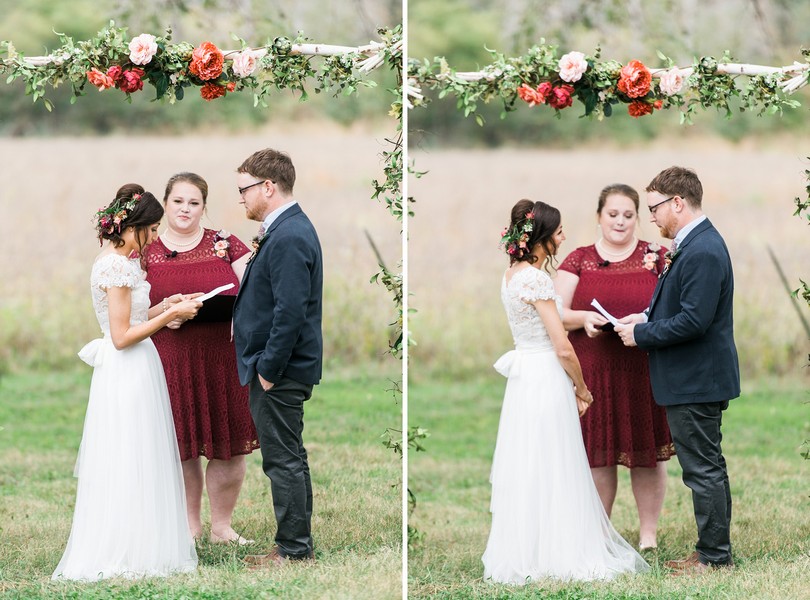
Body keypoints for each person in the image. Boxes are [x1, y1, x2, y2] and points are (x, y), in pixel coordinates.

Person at [482, 199, 648, 584]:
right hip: (544, 376)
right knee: (556, 461)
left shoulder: (512, 275)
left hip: (524, 379)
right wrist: (582, 387)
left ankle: (531, 548)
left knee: (531, 462)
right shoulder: (538, 280)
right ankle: (559, 551)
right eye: (558, 232)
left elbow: (549, 322)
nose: (564, 237)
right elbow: (561, 345)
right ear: (542, 238)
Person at [53, 185, 201, 581]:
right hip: (127, 368)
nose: (154, 237)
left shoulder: (125, 263)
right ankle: (126, 548)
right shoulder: (115, 267)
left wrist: (167, 307)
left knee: (144, 452)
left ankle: (146, 539)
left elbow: (134, 318)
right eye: (150, 229)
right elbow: (120, 337)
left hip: (141, 365)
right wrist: (167, 317)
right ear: (131, 226)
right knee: (130, 453)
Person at [616, 166, 739, 573]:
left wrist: (643, 335)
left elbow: (694, 321)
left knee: (703, 470)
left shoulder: (702, 249)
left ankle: (715, 558)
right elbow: (682, 305)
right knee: (707, 468)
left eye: (654, 208)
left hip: (696, 380)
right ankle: (710, 551)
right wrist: (645, 314)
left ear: (678, 203)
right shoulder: (694, 244)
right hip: (693, 378)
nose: (650, 217)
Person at [555, 184, 675, 550]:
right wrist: (584, 318)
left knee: (647, 453)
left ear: (638, 218)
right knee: (599, 453)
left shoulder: (659, 256)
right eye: (612, 214)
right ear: (598, 216)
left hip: (644, 368)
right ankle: (600, 531)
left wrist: (645, 321)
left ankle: (648, 535)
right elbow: (556, 311)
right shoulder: (578, 259)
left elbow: (676, 306)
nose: (620, 222)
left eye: (628, 215)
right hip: (595, 370)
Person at [143, 172, 259, 544]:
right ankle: (189, 527)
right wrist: (164, 313)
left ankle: (221, 527)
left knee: (227, 444)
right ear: (166, 203)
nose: (185, 209)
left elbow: (257, 292)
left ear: (204, 207)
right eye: (178, 201)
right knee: (182, 445)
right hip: (169, 359)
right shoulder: (145, 250)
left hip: (221, 357)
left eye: (194, 203)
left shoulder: (225, 244)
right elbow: (125, 313)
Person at [232, 149, 323, 566]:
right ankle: (295, 543)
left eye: (244, 189)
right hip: (279, 366)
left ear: (267, 187)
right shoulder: (287, 228)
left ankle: (293, 550)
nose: (241, 199)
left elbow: (291, 310)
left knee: (282, 459)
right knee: (290, 456)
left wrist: (268, 368)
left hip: (278, 370)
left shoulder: (288, 235)